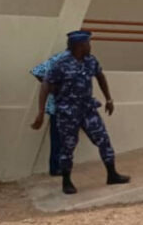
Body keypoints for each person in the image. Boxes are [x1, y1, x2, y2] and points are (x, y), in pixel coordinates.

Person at [31, 31, 130, 194]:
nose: (90, 46)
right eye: (88, 43)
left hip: (88, 109)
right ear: (79, 46)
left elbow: (100, 76)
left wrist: (109, 99)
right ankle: (66, 181)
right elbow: (45, 85)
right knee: (67, 148)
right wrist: (41, 112)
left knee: (103, 140)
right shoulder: (61, 63)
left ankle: (112, 174)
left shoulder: (90, 60)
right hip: (67, 112)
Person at [31, 50, 69, 176]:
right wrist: (51, 87)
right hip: (57, 107)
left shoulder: (83, 60)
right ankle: (55, 167)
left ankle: (64, 165)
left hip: (73, 107)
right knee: (57, 139)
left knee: (67, 139)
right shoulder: (60, 59)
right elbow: (37, 71)